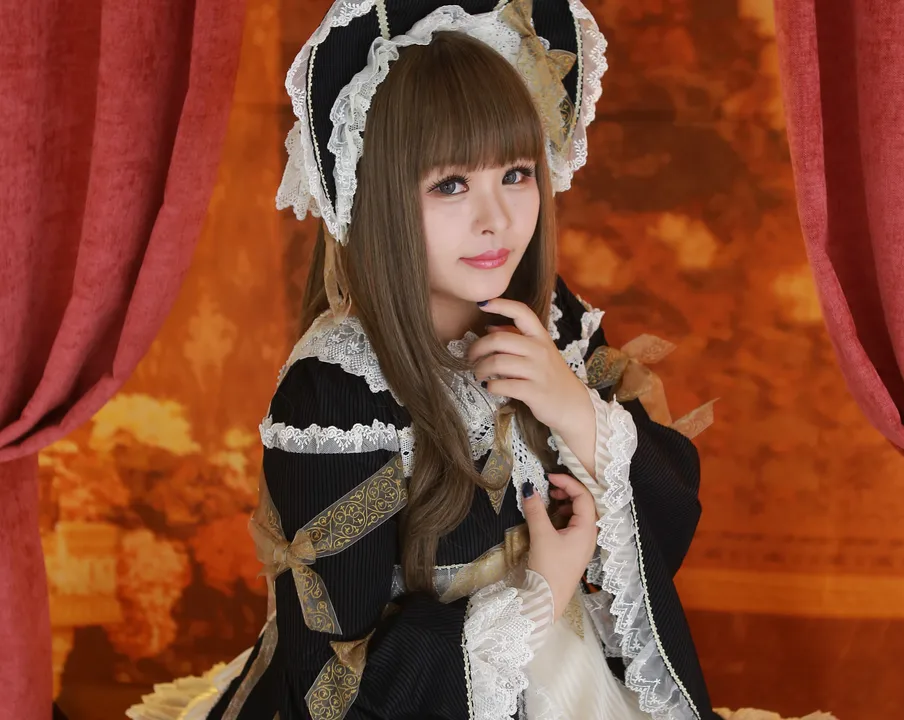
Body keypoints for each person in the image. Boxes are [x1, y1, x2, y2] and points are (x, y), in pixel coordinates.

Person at [127, 1, 718, 718]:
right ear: (378, 194)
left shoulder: (548, 319)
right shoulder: (338, 392)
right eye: (450, 185)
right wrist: (539, 596)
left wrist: (573, 407)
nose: (496, 220)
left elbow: (669, 515)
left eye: (516, 173)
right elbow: (334, 689)